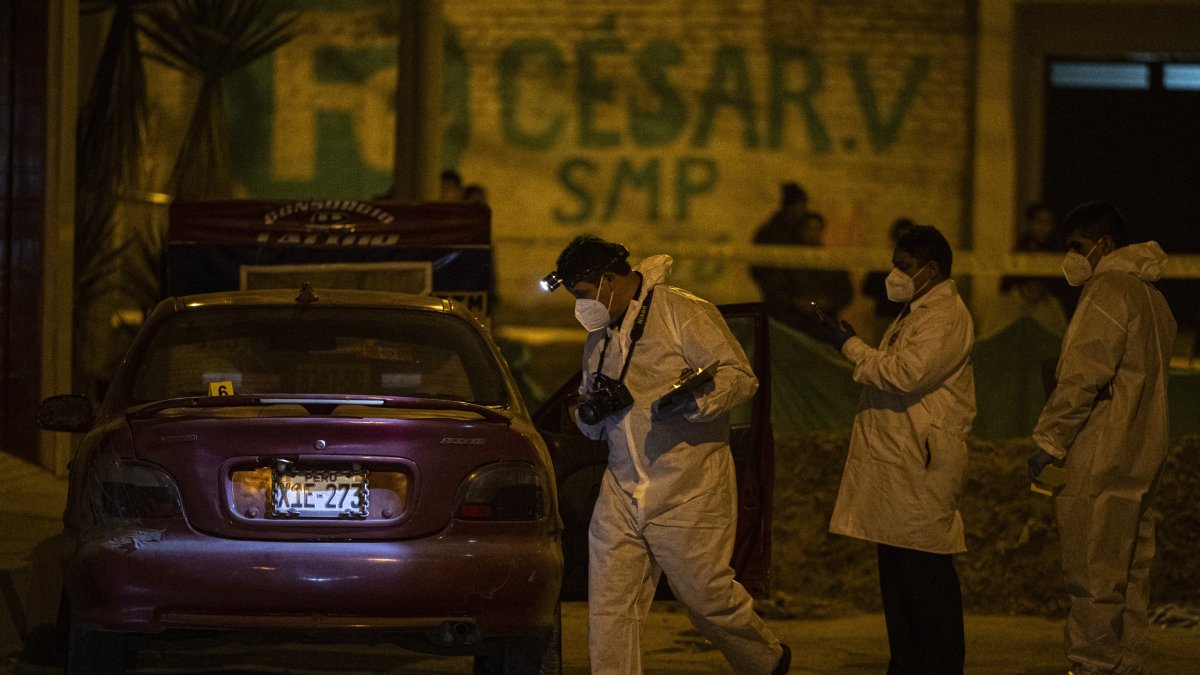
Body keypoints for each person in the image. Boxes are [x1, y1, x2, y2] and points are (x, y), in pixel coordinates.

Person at [541, 235, 790, 675]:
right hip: (621, 486)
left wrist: (694, 402)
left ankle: (764, 661)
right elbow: (590, 415)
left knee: (706, 598)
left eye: (582, 295)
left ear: (607, 281)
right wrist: (589, 413)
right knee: (611, 608)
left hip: (687, 487)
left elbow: (739, 376)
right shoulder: (598, 339)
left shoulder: (683, 312)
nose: (580, 307)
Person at [1027, 201, 1176, 675]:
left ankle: (1091, 666)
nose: (1071, 258)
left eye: (1076, 247)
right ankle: (1127, 665)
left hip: (1101, 452)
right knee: (1129, 576)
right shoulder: (1154, 300)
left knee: (1091, 576)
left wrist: (1049, 442)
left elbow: (1083, 377)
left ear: (1103, 245)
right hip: (1142, 455)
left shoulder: (1108, 290)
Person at [817, 224, 974, 674]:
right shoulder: (917, 311)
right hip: (902, 465)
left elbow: (903, 374)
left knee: (925, 582)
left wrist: (849, 345)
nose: (893, 275)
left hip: (920, 465)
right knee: (901, 582)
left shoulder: (944, 316)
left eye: (903, 267)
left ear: (931, 270)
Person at [751, 183, 853, 338]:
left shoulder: (829, 261)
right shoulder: (775, 237)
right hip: (788, 321)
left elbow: (845, 292)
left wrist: (824, 303)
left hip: (815, 327)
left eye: (816, 229)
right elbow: (770, 280)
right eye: (808, 229)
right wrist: (794, 302)